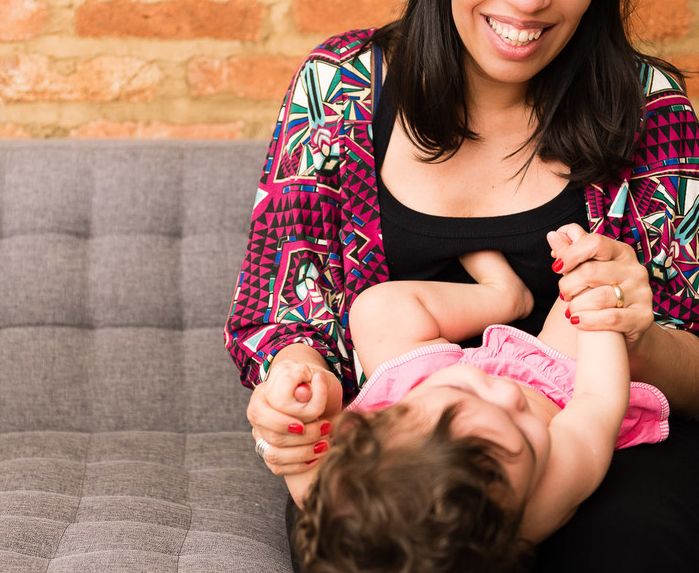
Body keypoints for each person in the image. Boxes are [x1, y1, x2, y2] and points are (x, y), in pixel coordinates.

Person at [225, 0, 699, 573]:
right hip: (407, 462)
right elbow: (287, 313)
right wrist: (296, 383)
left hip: (589, 430)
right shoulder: (340, 85)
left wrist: (627, 330)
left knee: (633, 543)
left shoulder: (646, 106)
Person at [283, 237, 670, 572]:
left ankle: (503, 293)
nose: (508, 394)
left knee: (376, 310)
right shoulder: (549, 487)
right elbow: (598, 400)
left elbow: (306, 479)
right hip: (554, 382)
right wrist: (595, 300)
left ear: (370, 426)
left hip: (435, 373)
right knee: (577, 311)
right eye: (522, 431)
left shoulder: (349, 494)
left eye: (468, 398)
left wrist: (300, 400)